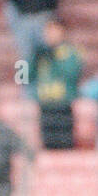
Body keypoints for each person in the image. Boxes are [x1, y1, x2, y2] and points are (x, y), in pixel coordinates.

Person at [31, 18, 82, 150]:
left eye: (54, 31)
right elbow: (22, 77)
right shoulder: (39, 53)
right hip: (45, 104)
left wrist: (54, 57)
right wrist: (32, 58)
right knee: (48, 146)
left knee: (65, 146)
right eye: (48, 31)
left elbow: (72, 74)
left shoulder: (71, 52)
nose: (50, 35)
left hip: (63, 104)